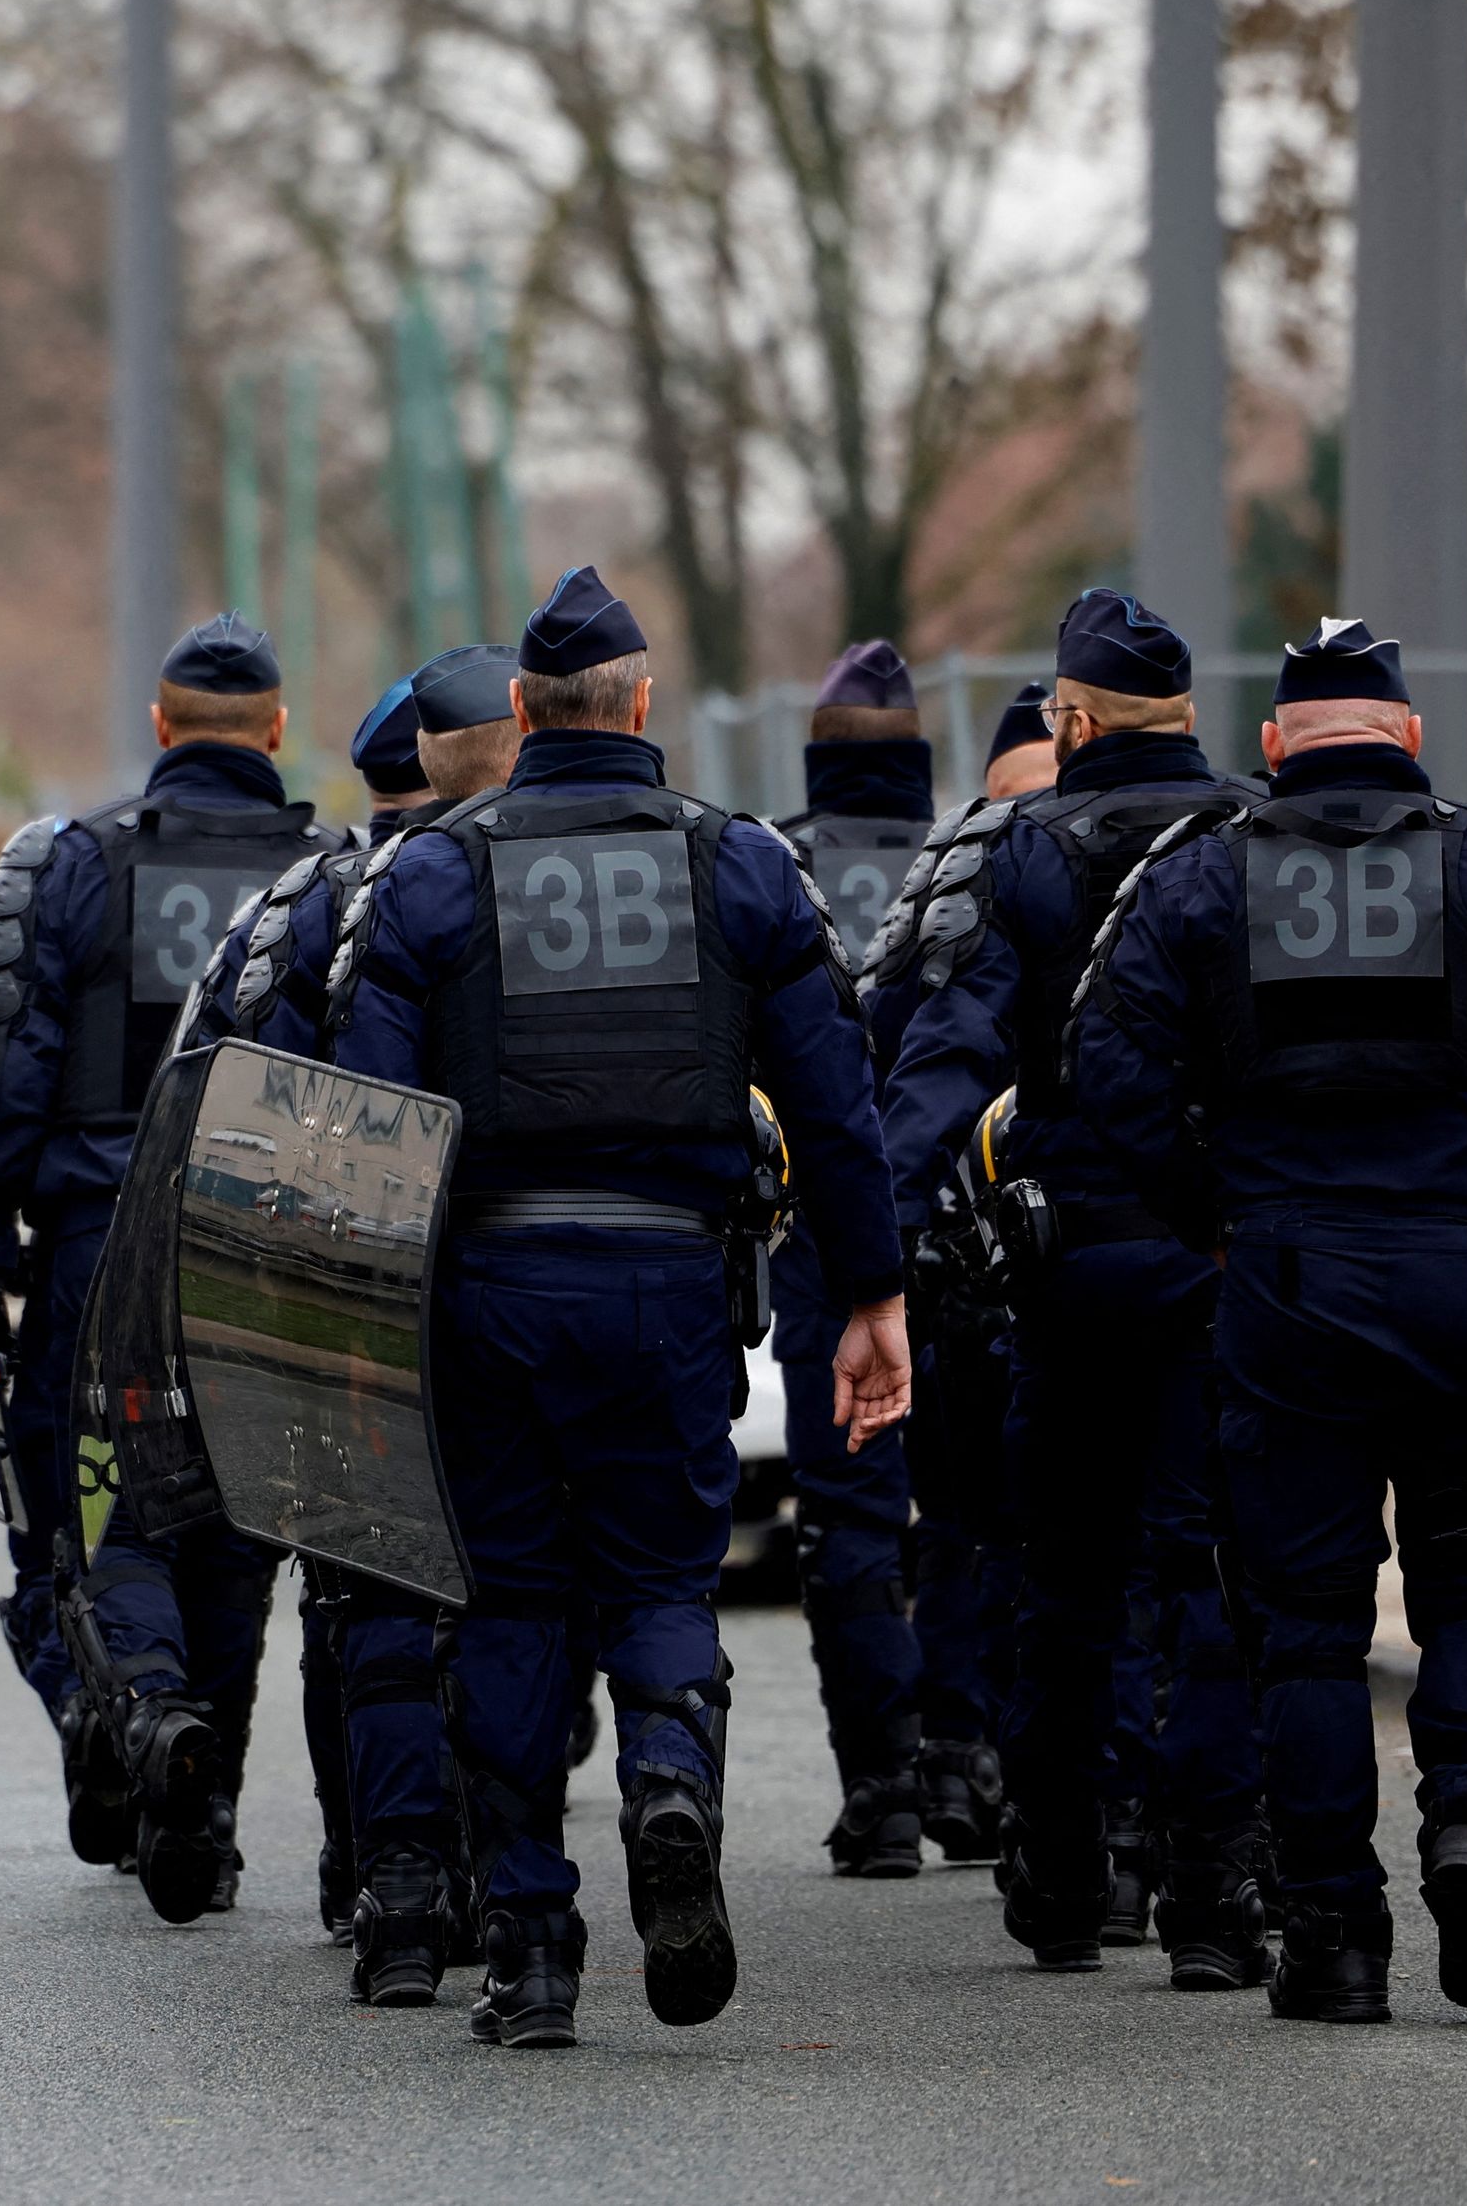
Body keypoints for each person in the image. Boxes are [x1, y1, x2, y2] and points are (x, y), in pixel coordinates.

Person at [1071, 618, 1467, 2022]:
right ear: (1412, 738)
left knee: (1303, 1623)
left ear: (1267, 750)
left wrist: (1213, 1209)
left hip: (1288, 1282)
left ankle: (1336, 1939)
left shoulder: (1197, 881)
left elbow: (1102, 1070)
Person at [325, 566, 908, 2048]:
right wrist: (874, 1293)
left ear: (521, 715)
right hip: (669, 1290)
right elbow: (838, 1104)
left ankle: (531, 1949)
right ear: (640, 706)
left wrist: (371, 1331)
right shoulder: (741, 867)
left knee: (510, 1602)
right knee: (662, 1582)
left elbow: (372, 1120)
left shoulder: (433, 874)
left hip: (491, 1296)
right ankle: (667, 1783)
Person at [880, 588, 1270, 1986]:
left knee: (1066, 1575)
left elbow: (948, 1042)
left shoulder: (1024, 847)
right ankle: (1217, 1888)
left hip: (1067, 1265)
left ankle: (1063, 1873)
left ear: (1074, 716)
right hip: (1228, 1260)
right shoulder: (1245, 834)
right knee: (1214, 1565)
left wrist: (878, 1217)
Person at [0, 612, 329, 1918]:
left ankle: (137, 1710)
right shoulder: (327, 873)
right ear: (278, 730)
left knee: (96, 1518)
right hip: (260, 1261)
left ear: (161, 726)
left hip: (96, 1264)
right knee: (234, 1533)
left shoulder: (76, 867)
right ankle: (205, 1807)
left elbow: (16, 1076)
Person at [169, 648, 515, 1959]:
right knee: (505, 1590)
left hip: (349, 1289)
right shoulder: (512, 884)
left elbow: (229, 1098)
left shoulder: (304, 903)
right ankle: (485, 1865)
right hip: (507, 1288)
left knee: (356, 1594)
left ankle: (374, 1866)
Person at [763, 641, 939, 1877]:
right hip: (974, 1222)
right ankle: (979, 1764)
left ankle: (880, 1786)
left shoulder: (774, 864)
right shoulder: (978, 856)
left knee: (849, 1515)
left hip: (825, 1238)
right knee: (987, 1511)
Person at [883, 677, 1057, 1867]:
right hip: (991, 1265)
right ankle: (987, 1759)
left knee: (997, 1529)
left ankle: (987, 1759)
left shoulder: (955, 883)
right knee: (986, 1526)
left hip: (1017, 1261)